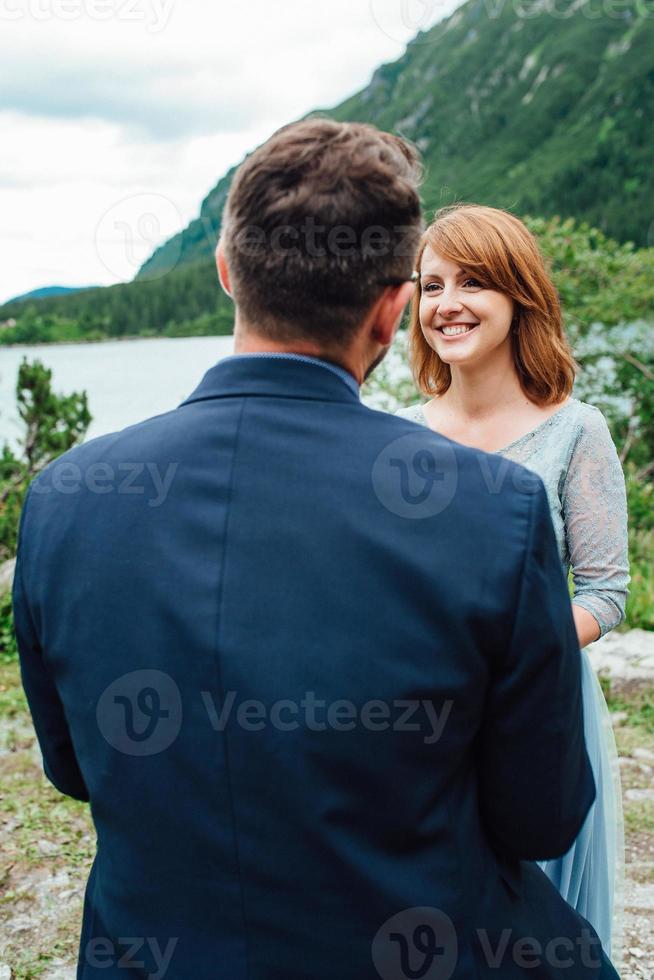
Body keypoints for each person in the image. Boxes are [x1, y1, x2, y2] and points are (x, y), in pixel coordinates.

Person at [13, 120, 619, 979]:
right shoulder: (493, 510)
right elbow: (542, 820)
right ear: (392, 308)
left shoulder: (65, 499)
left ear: (227, 270)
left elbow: (74, 769)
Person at [397, 203, 629, 959]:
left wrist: (516, 651)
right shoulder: (399, 435)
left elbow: (604, 590)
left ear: (519, 295)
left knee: (540, 929)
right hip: (425, 717)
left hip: (538, 710)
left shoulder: (576, 429)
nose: (446, 304)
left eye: (472, 283)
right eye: (431, 286)